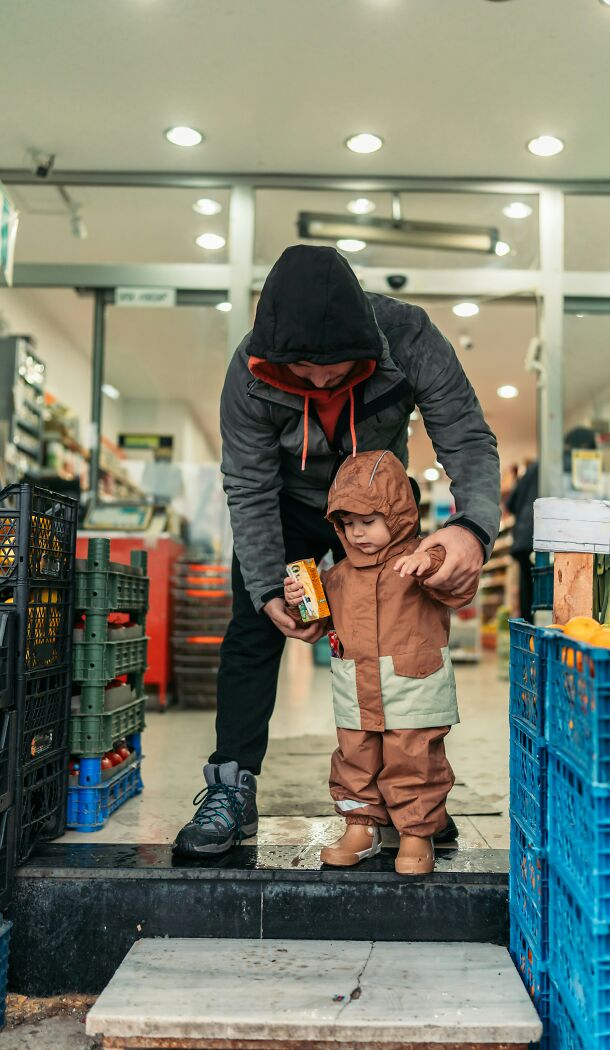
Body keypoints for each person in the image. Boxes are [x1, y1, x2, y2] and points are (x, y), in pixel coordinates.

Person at [173, 244, 501, 858]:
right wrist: (269, 586)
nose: (321, 381)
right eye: (303, 371)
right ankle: (231, 786)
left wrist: (472, 529)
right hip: (290, 512)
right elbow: (248, 484)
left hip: (379, 507)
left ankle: (415, 803)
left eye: (338, 368)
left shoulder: (409, 337)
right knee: (252, 630)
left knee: (401, 639)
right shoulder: (247, 371)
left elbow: (466, 438)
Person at [284, 451, 473, 875]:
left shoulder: (422, 559)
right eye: (347, 524)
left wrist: (433, 563)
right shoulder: (336, 576)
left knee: (414, 759)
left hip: (413, 686)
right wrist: (300, 602)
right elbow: (314, 621)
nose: (357, 534)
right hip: (356, 690)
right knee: (354, 758)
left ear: (399, 513)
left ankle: (416, 833)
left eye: (368, 521)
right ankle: (360, 826)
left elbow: (458, 588)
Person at [506, 461, 538, 623]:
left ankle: (529, 638)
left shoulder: (531, 470)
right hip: (539, 536)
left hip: (523, 539)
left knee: (527, 592)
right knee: (540, 592)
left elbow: (510, 503)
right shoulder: (555, 467)